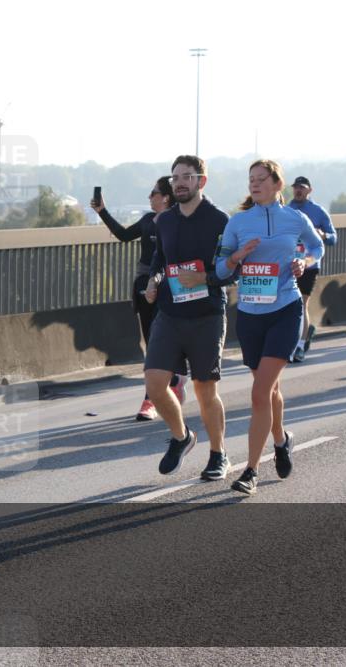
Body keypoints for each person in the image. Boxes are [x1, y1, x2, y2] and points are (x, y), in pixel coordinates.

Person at [216, 159, 324, 495]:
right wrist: (236, 257)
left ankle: (250, 471)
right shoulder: (238, 222)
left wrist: (304, 261)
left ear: (278, 184)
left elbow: (317, 246)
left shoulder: (295, 218)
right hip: (250, 314)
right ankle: (281, 439)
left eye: (261, 179)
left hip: (285, 310)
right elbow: (219, 270)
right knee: (270, 390)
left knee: (259, 393)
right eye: (251, 179)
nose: (254, 184)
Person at [143, 155, 234, 481]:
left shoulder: (220, 220)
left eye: (187, 177)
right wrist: (153, 282)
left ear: (201, 181)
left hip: (207, 315)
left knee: (205, 390)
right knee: (154, 385)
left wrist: (204, 279)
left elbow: (231, 271)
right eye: (175, 177)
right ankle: (181, 437)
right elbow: (160, 261)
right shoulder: (165, 221)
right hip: (170, 313)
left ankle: (218, 454)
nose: (179, 183)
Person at [91, 177, 188, 421]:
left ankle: (152, 397)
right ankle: (170, 383)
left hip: (170, 287)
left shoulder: (179, 221)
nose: (149, 197)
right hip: (144, 285)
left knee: (162, 341)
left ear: (166, 197)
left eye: (153, 193)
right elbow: (124, 235)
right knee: (151, 342)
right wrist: (102, 211)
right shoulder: (147, 220)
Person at [287, 176, 337, 362]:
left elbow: (333, 238)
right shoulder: (286, 209)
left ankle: (300, 346)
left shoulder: (318, 211)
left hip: (309, 264)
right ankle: (296, 339)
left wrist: (323, 235)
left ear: (309, 190)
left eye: (302, 187)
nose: (298, 190)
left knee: (301, 303)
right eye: (295, 187)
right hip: (288, 264)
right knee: (288, 306)